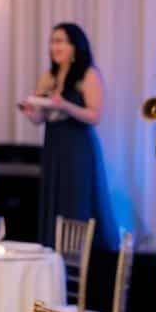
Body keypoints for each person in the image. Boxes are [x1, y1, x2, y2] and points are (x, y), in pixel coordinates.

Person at [19, 22, 117, 251]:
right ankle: (54, 256)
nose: (55, 47)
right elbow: (41, 119)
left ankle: (78, 258)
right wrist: (31, 111)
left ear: (75, 46)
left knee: (76, 202)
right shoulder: (48, 76)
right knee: (54, 202)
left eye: (61, 41)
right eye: (53, 41)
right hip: (53, 145)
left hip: (77, 147)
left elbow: (94, 115)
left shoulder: (88, 74)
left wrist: (66, 106)